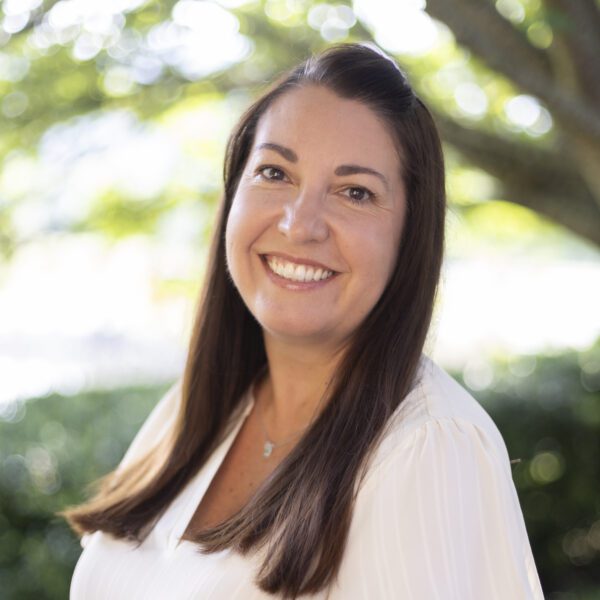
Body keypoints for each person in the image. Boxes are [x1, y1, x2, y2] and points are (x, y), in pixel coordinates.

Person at [60, 43, 544, 599]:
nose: (299, 224)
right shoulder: (195, 411)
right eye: (275, 172)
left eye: (355, 192)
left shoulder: (428, 448)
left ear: (410, 236)